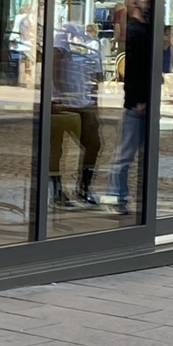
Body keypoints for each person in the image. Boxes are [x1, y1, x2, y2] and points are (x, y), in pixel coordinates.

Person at [49, 17, 102, 206]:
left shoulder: (89, 44)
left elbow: (95, 78)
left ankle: (83, 188)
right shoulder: (61, 39)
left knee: (93, 144)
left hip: (80, 101)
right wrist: (60, 95)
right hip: (61, 103)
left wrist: (94, 104)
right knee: (56, 148)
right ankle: (56, 191)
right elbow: (55, 67)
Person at [111, 0, 152, 209]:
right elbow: (135, 69)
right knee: (125, 153)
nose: (150, 1)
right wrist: (139, 99)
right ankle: (116, 196)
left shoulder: (144, 29)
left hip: (142, 100)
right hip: (137, 102)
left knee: (133, 151)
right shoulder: (136, 31)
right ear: (136, 4)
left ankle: (122, 196)